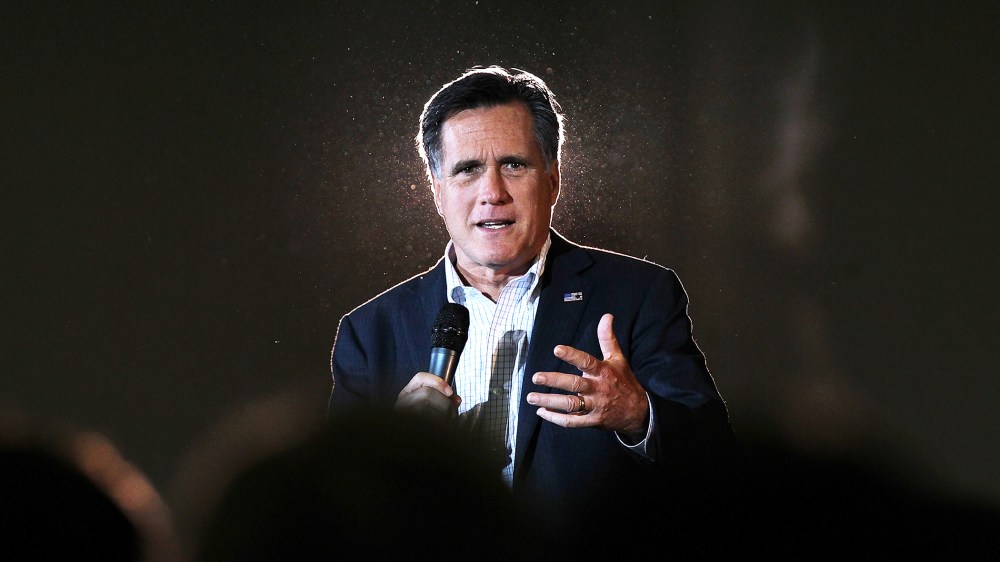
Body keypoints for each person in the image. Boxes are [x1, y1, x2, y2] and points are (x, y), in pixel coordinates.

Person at [328, 65, 735, 534]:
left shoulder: (638, 294)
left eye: (513, 165)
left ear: (553, 181)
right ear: (438, 193)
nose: (492, 193)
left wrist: (638, 414)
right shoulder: (370, 332)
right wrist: (387, 449)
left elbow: (715, 458)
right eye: (468, 170)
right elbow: (333, 515)